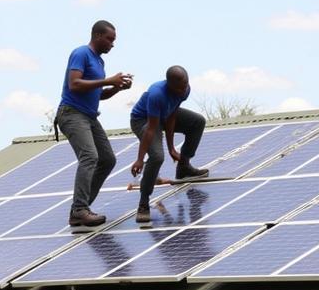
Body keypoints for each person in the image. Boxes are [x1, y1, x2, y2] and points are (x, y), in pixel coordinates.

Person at [55, 20, 133, 231]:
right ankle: (80, 209)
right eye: (109, 39)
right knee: (90, 156)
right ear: (97, 36)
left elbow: (98, 95)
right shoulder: (81, 53)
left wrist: (117, 88)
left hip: (89, 116)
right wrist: (109, 80)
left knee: (107, 159)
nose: (112, 44)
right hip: (72, 113)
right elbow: (75, 84)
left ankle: (80, 209)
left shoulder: (99, 62)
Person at [129, 66, 208, 225]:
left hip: (163, 116)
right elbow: (151, 130)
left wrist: (172, 148)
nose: (183, 89)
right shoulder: (156, 94)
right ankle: (143, 204)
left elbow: (171, 115)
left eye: (185, 85)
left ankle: (184, 166)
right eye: (179, 87)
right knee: (157, 156)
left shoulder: (185, 90)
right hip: (144, 121)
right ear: (169, 84)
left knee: (198, 122)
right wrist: (139, 159)